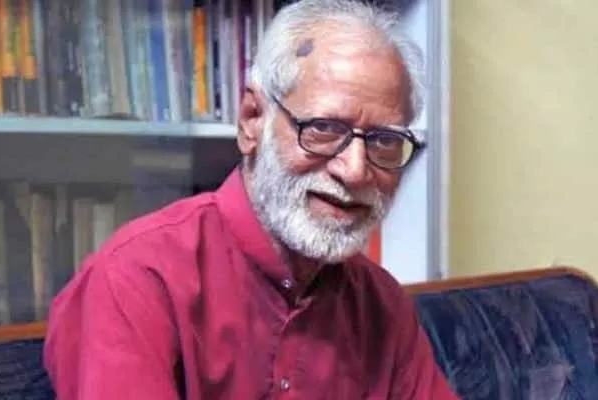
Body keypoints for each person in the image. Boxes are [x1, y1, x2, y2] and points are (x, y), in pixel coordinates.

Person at [44, 0, 460, 399]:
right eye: (324, 128)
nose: (354, 170)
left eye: (384, 140)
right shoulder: (137, 279)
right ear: (252, 120)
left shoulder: (381, 304)